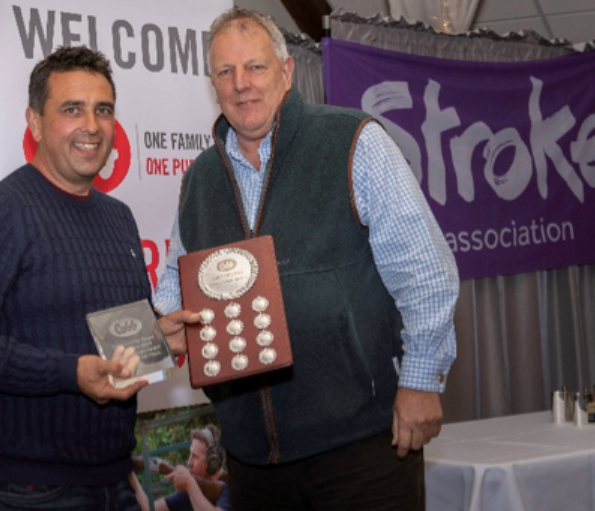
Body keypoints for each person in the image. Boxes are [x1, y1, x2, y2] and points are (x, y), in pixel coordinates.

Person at [153, 7, 459, 511]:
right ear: (213, 84)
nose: (242, 84)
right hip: (251, 463)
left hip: (361, 447)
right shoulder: (200, 180)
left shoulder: (354, 142)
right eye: (226, 72)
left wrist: (421, 382)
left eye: (255, 67)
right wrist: (150, 336)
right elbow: (173, 286)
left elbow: (425, 273)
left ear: (286, 71)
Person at [0, 45, 199, 511]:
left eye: (103, 110)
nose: (92, 126)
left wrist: (156, 336)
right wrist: (69, 372)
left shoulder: (118, 218)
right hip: (28, 490)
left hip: (115, 479)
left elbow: (103, 331)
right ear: (33, 122)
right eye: (72, 109)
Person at [130, 425, 230, 511]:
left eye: (195, 456)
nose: (189, 462)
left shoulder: (232, 487)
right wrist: (129, 472)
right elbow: (149, 509)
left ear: (213, 462)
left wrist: (190, 484)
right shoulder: (192, 488)